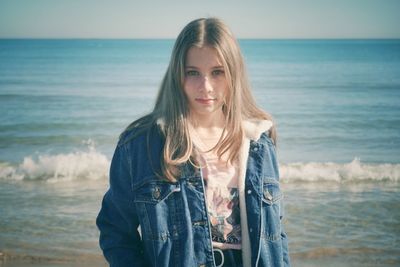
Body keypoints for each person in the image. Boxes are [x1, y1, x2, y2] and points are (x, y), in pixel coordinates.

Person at [96, 17, 290, 267]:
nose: (206, 87)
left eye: (217, 72)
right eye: (193, 73)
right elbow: (115, 230)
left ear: (234, 74)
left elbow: (275, 233)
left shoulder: (259, 143)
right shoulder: (141, 144)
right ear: (177, 75)